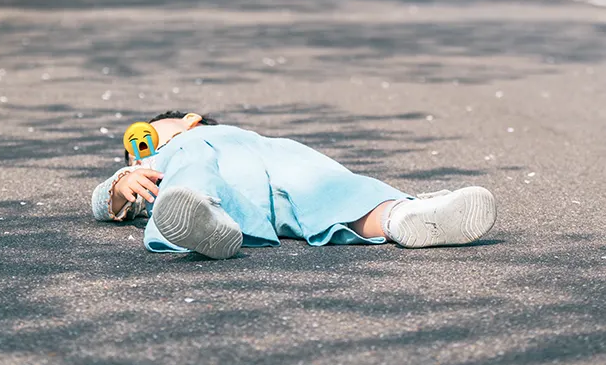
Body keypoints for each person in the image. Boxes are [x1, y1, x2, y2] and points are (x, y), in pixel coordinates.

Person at [91, 112, 497, 259]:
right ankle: (207, 223)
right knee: (191, 178)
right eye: (133, 155)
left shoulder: (208, 134)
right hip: (213, 190)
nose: (142, 151)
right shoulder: (157, 166)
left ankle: (404, 217)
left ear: (189, 120)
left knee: (328, 185)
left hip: (276, 164)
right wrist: (119, 184)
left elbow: (313, 173)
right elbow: (104, 203)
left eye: (150, 135)